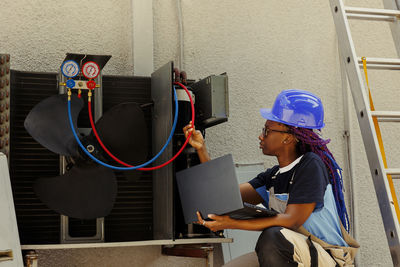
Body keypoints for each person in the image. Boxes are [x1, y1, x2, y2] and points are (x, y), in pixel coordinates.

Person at [183, 89, 359, 267]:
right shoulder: (273, 176)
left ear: (288, 138)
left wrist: (229, 223)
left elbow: (292, 220)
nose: (261, 136)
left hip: (326, 256)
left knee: (272, 236)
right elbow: (225, 195)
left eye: (267, 131)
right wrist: (201, 149)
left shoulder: (311, 166)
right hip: (289, 253)